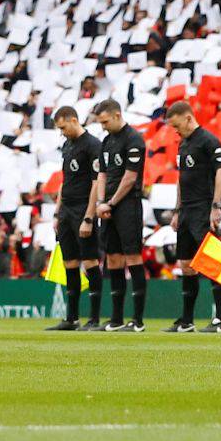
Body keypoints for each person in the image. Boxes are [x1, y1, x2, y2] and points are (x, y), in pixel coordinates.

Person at [165, 99, 221, 334]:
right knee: (186, 264)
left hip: (204, 209)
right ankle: (187, 320)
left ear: (188, 118)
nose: (175, 131)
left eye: (177, 126)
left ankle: (220, 320)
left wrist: (216, 206)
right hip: (186, 212)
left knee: (214, 264)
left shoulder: (209, 141)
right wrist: (176, 210)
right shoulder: (183, 145)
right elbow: (181, 180)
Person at [89, 99, 148, 332]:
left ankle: (138, 320)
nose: (102, 126)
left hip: (128, 205)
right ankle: (116, 318)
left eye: (105, 121)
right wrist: (102, 202)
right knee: (113, 258)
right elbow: (102, 175)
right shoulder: (107, 141)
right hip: (109, 207)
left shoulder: (134, 140)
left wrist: (110, 203)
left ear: (116, 115)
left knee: (132, 257)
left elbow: (130, 178)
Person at [48, 104, 104, 331]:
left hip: (83, 209)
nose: (62, 132)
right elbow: (65, 180)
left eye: (63, 127)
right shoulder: (67, 145)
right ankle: (71, 318)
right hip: (66, 211)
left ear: (73, 120)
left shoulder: (92, 145)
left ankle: (94, 318)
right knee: (69, 262)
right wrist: (56, 212)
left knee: (90, 261)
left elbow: (95, 182)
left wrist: (89, 216)